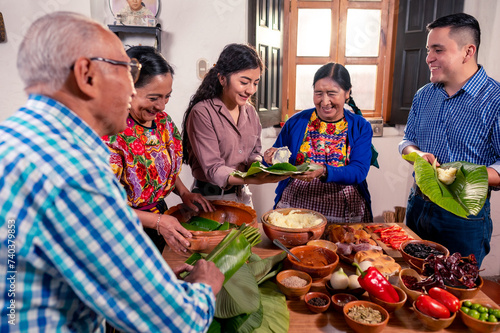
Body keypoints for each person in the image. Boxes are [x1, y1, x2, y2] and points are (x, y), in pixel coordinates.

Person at [0, 12, 223, 332]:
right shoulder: (75, 172)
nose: (131, 91)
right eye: (127, 71)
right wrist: (202, 286)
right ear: (86, 74)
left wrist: (145, 287)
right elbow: (177, 323)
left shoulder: (16, 139)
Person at [399, 13, 500, 267]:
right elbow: (407, 141)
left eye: (438, 49)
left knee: (456, 293)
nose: (428, 58)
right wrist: (417, 154)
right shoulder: (424, 95)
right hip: (418, 206)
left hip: (464, 219)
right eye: (428, 49)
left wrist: (464, 174)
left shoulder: (496, 100)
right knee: (412, 284)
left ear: (468, 51)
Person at [102, 46, 213, 254]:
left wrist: (184, 193)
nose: (162, 106)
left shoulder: (162, 122)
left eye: (167, 96)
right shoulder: (110, 134)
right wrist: (158, 221)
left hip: (160, 219)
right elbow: (103, 207)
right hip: (124, 230)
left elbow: (160, 167)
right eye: (153, 98)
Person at [264, 62, 374, 223]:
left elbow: (358, 171)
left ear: (347, 92)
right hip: (296, 210)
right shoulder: (296, 122)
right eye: (318, 93)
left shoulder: (360, 126)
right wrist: (270, 159)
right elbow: (278, 165)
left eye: (332, 93)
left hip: (343, 212)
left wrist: (323, 170)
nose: (324, 101)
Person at [182, 43, 286, 207]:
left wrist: (264, 163)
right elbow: (214, 169)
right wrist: (256, 179)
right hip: (209, 200)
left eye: (255, 83)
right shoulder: (202, 113)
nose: (251, 90)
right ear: (222, 78)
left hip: (243, 196)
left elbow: (253, 154)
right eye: (244, 82)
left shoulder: (250, 113)